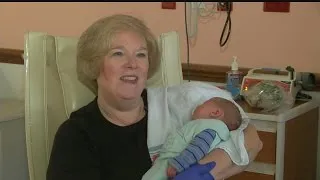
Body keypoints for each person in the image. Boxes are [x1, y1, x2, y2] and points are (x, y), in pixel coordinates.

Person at [46, 14, 263, 180]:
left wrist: (206, 172)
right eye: (118, 53)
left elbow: (251, 137)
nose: (133, 64)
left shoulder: (178, 104)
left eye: (141, 54)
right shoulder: (76, 135)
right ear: (94, 66)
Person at [142, 97, 242, 180]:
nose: (197, 106)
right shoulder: (207, 127)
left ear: (215, 112)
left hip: (174, 163)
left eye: (202, 104)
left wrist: (178, 164)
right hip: (170, 162)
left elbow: (198, 147)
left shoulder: (211, 127)